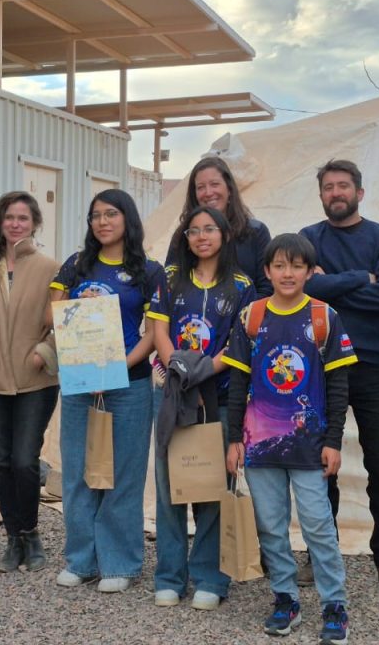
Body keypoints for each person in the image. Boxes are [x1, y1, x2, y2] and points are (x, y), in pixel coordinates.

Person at [224, 234, 357, 645]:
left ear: (310, 272)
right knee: (270, 524)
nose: (287, 273)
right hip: (259, 442)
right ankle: (285, 598)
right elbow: (237, 382)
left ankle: (334, 604)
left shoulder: (323, 316)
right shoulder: (251, 315)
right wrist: (234, 439)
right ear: (266, 270)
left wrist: (334, 440)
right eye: (279, 265)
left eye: (296, 266)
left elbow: (338, 385)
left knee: (318, 524)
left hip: (309, 443)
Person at [299, 159, 379, 594]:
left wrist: (332, 285)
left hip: (373, 365)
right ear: (321, 195)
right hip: (321, 364)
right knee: (319, 464)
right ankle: (320, 552)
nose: (336, 193)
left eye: (343, 186)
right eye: (328, 187)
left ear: (359, 193)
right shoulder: (309, 239)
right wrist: (360, 279)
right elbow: (303, 290)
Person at [50, 189, 165, 592]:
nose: (102, 222)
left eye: (111, 214)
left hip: (129, 383)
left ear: (127, 219)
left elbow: (153, 333)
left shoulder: (149, 271)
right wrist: (71, 306)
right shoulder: (76, 264)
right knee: (78, 470)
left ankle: (120, 563)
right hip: (81, 382)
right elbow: (54, 314)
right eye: (95, 215)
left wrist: (119, 366)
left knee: (124, 474)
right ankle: (81, 559)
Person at [147, 206, 255, 610]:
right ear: (186, 237)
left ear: (224, 235)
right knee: (169, 485)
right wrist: (178, 368)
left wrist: (205, 369)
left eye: (210, 229)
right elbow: (158, 329)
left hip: (218, 394)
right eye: (194, 230)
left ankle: (210, 576)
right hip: (173, 392)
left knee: (212, 484)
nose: (202, 236)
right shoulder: (170, 278)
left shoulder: (242, 285)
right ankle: (169, 576)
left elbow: (240, 342)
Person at [0, 192, 60, 573]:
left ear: (35, 223)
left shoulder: (51, 268)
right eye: (9, 217)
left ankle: (31, 532)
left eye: (23, 218)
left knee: (25, 460)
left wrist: (46, 351)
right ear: (0, 222)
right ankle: (13, 537)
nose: (15, 224)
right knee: (3, 462)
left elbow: (65, 319)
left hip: (35, 379)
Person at [167, 156, 272, 296]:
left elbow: (267, 289)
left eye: (214, 184)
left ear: (229, 189)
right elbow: (170, 284)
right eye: (201, 187)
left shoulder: (256, 233)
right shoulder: (183, 235)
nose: (208, 193)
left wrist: (238, 309)